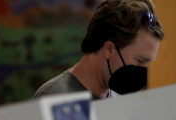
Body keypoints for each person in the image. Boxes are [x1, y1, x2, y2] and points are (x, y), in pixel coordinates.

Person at [33, 0, 164, 99]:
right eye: (139, 61)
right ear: (109, 49)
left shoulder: (119, 99)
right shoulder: (53, 97)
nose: (143, 70)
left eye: (148, 64)